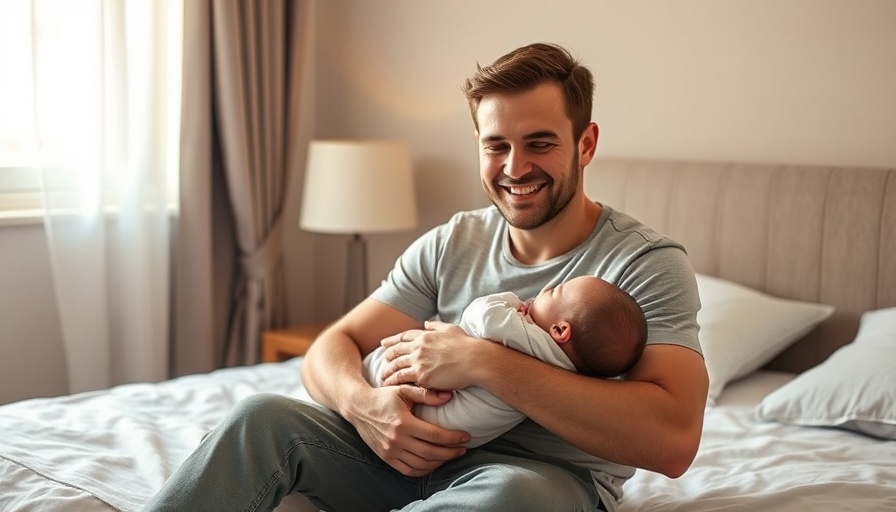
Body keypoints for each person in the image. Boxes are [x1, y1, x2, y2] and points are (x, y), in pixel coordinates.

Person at [143, 42, 707, 512]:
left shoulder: (644, 266)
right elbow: (330, 348)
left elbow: (674, 441)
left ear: (585, 145)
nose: (515, 168)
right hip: (397, 460)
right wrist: (365, 407)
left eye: (540, 143)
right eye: (496, 146)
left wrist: (482, 360)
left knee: (511, 497)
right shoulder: (454, 241)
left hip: (538, 482)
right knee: (259, 417)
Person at [363, 276, 648, 448]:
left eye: (556, 291)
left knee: (380, 361)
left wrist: (512, 302)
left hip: (428, 413)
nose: (546, 287)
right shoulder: (563, 369)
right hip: (448, 432)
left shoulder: (529, 340)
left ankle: (366, 376)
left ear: (560, 331)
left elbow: (480, 314)